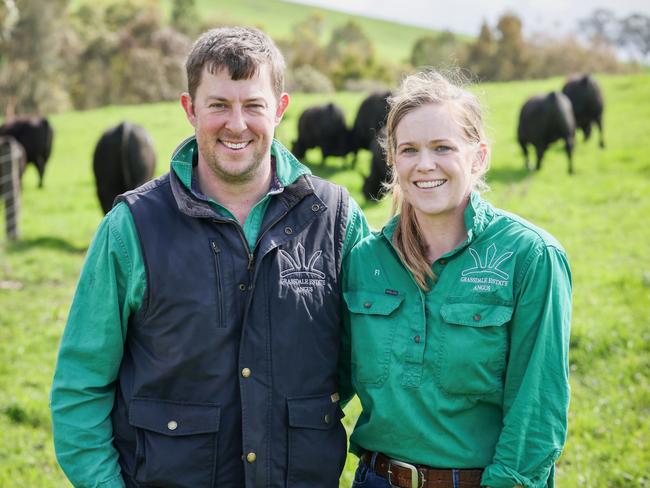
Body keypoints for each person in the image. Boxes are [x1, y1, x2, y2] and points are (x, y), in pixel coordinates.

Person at [50, 26, 368, 488]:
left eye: (253, 105)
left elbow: (363, 360)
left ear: (279, 109)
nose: (236, 124)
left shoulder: (337, 218)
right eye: (218, 104)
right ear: (190, 109)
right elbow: (80, 387)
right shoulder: (131, 228)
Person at [341, 70, 572, 488]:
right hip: (374, 479)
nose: (424, 164)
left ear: (478, 156)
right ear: (392, 160)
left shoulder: (531, 256)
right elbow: (323, 382)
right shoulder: (364, 260)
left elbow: (537, 413)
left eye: (442, 147)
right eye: (408, 149)